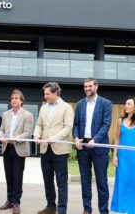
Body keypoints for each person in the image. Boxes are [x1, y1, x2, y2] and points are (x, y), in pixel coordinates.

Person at [34, 82, 74, 214]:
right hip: (45, 149)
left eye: (47, 94)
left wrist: (55, 137)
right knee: (47, 179)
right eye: (44, 94)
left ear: (56, 93)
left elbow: (68, 128)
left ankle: (62, 210)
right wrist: (36, 134)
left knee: (61, 182)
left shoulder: (67, 107)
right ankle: (51, 206)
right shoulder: (43, 107)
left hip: (60, 150)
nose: (45, 96)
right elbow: (39, 124)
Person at [73, 78, 112, 214]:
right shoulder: (80, 104)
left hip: (99, 147)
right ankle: (87, 209)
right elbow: (76, 124)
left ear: (96, 87)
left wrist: (95, 139)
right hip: (83, 147)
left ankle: (103, 210)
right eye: (85, 86)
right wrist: (76, 137)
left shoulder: (106, 103)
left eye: (90, 86)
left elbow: (106, 124)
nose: (87, 88)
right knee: (85, 180)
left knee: (102, 181)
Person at [0, 89, 34, 214]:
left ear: (21, 101)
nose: (14, 100)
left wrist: (16, 139)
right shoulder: (6, 114)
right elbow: (1, 129)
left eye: (17, 98)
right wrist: (1, 136)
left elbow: (27, 133)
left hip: (19, 149)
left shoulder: (27, 115)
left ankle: (17, 202)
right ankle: (9, 200)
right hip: (7, 148)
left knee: (17, 177)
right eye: (12, 98)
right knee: (9, 176)